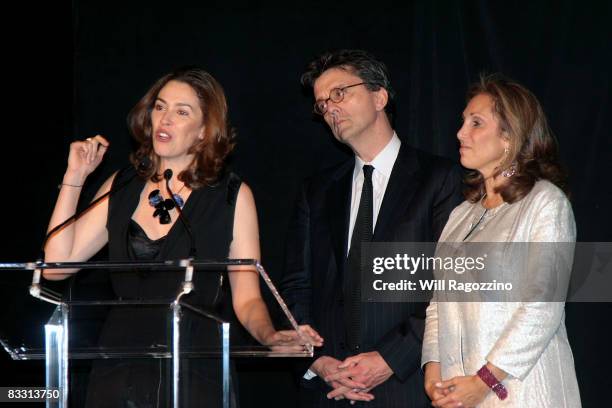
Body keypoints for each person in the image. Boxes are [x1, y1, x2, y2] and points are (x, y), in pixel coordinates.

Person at [43, 66, 322, 407]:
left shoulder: (231, 196)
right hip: (119, 364)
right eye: (160, 107)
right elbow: (55, 268)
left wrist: (270, 337)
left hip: (194, 364)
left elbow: (247, 299)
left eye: (181, 111)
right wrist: (75, 177)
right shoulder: (122, 186)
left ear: (204, 131)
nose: (165, 119)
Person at [281, 49, 463, 407]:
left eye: (339, 93)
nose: (329, 108)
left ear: (379, 96)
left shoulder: (439, 179)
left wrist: (391, 358)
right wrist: (316, 360)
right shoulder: (316, 191)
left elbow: (452, 287)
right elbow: (295, 287)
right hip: (331, 389)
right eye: (321, 104)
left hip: (408, 385)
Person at [422, 74, 581, 407]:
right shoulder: (460, 215)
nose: (460, 133)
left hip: (523, 391)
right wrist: (433, 375)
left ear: (509, 137)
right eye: (463, 122)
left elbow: (543, 306)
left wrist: (486, 380)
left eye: (475, 123)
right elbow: (438, 305)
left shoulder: (544, 203)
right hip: (459, 393)